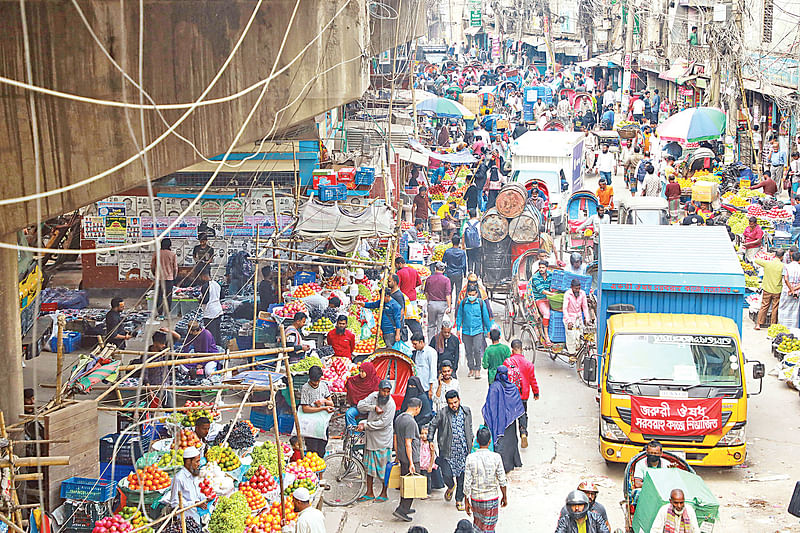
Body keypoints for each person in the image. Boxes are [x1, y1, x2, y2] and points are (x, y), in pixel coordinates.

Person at [429, 390, 473, 511]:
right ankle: (450, 487)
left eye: (455, 402)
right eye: (451, 403)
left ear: (459, 400)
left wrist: (471, 439)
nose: (453, 405)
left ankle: (459, 500)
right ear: (447, 403)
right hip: (448, 452)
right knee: (447, 475)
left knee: (462, 478)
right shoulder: (442, 413)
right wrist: (430, 440)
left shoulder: (466, 411)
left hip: (463, 451)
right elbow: (432, 425)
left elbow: (469, 427)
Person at [462, 428, 508, 533]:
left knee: (478, 527)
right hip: (491, 499)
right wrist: (504, 496)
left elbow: (467, 482)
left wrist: (466, 500)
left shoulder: (470, 458)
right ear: (490, 441)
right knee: (489, 528)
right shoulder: (496, 457)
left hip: (476, 499)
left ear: (477, 441)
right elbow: (502, 480)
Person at [357, 379, 396, 502]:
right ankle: (369, 492)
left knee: (384, 469)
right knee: (369, 467)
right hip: (371, 439)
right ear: (379, 390)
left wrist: (366, 426)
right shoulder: (373, 397)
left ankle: (384, 493)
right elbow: (360, 406)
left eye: (387, 391)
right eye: (383, 391)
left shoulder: (391, 404)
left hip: (383, 440)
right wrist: (373, 407)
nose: (385, 394)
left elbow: (383, 423)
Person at [482, 365, 524, 473]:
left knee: (499, 444)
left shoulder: (494, 387)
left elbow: (489, 406)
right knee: (510, 442)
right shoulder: (513, 388)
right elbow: (518, 407)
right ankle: (512, 464)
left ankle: (501, 468)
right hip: (510, 423)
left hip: (497, 422)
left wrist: (487, 422)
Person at [503, 339, 539, 449]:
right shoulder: (528, 364)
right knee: (523, 414)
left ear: (512, 350)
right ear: (522, 349)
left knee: (510, 415)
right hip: (523, 394)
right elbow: (532, 380)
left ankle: (510, 438)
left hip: (511, 394)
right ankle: (523, 432)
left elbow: (504, 378)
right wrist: (536, 392)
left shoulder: (507, 362)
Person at [393, 397, 422, 522]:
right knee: (411, 485)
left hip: (402, 456)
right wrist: (411, 463)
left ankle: (404, 506)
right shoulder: (410, 422)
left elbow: (395, 438)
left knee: (405, 484)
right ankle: (402, 510)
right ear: (417, 408)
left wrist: (398, 455)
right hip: (411, 458)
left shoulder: (399, 418)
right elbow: (408, 443)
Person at [456, 286, 492, 380]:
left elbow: (485, 316)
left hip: (478, 331)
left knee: (477, 350)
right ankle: (471, 368)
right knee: (468, 351)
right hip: (466, 331)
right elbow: (459, 316)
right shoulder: (463, 303)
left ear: (476, 294)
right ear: (467, 294)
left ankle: (477, 369)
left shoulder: (480, 303)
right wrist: (458, 328)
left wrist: (488, 330)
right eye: (470, 295)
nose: (471, 296)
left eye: (473, 295)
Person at [299, 365, 334, 456]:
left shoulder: (323, 386)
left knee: (322, 444)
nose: (316, 383)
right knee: (312, 447)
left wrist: (324, 401)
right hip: (310, 422)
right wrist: (322, 408)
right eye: (314, 381)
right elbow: (305, 409)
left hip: (322, 421)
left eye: (318, 380)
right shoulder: (305, 388)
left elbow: (331, 403)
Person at [169, 446, 207, 524]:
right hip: (186, 521)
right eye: (197, 461)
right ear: (188, 462)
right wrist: (193, 504)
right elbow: (174, 503)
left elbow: (196, 494)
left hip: (197, 517)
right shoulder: (179, 478)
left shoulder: (194, 474)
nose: (199, 464)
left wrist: (206, 498)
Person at [754, 250, 785, 329]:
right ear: (782, 257)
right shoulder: (783, 266)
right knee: (775, 308)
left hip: (767, 288)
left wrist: (770, 256)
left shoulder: (768, 263)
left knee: (764, 306)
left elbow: (756, 260)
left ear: (775, 255)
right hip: (777, 289)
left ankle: (758, 324)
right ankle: (773, 325)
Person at [345, 360, 379, 426]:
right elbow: (349, 382)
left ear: (369, 372)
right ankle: (354, 434)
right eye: (360, 371)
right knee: (349, 414)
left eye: (363, 372)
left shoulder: (376, 382)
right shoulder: (355, 380)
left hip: (371, 408)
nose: (360, 373)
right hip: (357, 407)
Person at [151, 238, 178, 318]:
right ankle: (167, 313)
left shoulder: (156, 253)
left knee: (159, 296)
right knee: (168, 296)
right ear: (169, 245)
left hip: (159, 279)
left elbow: (152, 266)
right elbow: (175, 268)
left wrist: (154, 274)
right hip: (169, 279)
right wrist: (174, 277)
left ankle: (160, 313)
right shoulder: (172, 254)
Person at [425, 262, 452, 339]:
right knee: (440, 326)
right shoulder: (446, 280)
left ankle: (431, 343)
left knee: (431, 325)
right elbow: (447, 294)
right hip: (442, 304)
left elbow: (426, 293)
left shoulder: (429, 279)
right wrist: (449, 306)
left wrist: (429, 302)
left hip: (432, 304)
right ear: (443, 270)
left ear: (435, 269)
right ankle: (439, 343)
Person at [198, 267, 223, 346]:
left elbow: (205, 300)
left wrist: (199, 300)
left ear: (203, 276)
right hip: (218, 310)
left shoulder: (205, 286)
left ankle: (212, 348)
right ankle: (218, 347)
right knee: (217, 332)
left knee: (210, 334)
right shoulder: (217, 284)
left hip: (210, 312)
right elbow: (222, 296)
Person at [563, 279, 590, 354]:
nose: (577, 290)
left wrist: (587, 319)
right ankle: (571, 354)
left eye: (578, 288)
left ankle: (579, 353)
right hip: (569, 318)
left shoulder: (582, 293)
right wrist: (569, 321)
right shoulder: (567, 294)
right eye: (575, 288)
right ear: (571, 287)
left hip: (579, 318)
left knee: (580, 336)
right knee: (571, 337)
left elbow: (585, 307)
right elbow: (564, 309)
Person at [411, 333, 438, 400]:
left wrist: (431, 389)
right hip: (419, 388)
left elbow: (433, 371)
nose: (414, 346)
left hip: (427, 388)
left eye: (415, 344)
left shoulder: (431, 352)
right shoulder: (417, 352)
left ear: (421, 342)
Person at [778, 251, 800, 328]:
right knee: (794, 312)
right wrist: (794, 290)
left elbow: (786, 279)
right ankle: (793, 329)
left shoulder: (786, 266)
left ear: (791, 258)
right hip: (797, 293)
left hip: (786, 291)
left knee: (783, 309)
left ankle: (782, 327)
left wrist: (791, 290)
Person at [443, 235, 468, 300]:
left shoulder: (447, 251)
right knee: (458, 291)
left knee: (449, 290)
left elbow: (443, 262)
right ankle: (457, 307)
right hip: (458, 273)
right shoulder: (462, 252)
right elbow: (464, 265)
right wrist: (465, 274)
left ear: (452, 242)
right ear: (459, 242)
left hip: (449, 273)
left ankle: (449, 305)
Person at [463, 209, 482, 275]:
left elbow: (463, 235)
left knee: (470, 259)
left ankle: (470, 272)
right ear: (476, 215)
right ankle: (477, 274)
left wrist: (463, 245)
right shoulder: (479, 224)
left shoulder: (466, 224)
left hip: (469, 245)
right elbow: (481, 234)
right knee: (477, 260)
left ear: (469, 215)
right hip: (478, 245)